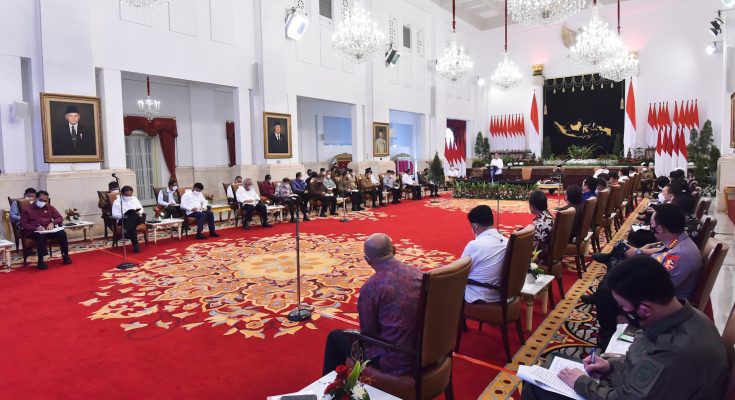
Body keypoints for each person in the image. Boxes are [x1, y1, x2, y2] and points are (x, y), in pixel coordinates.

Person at [522, 256, 729, 400]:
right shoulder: (685, 316)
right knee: (551, 365)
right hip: (634, 386)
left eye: (624, 307)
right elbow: (642, 370)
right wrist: (611, 366)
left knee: (536, 385)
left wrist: (581, 383)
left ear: (644, 309)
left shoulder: (674, 351)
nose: (622, 312)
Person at [322, 233, 422, 376]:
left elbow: (368, 334)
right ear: (394, 250)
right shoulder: (418, 274)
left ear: (367, 260)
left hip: (395, 358)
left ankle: (333, 388)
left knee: (335, 338)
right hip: (423, 351)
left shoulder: (371, 287)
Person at [462, 205, 507, 303]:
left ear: (474, 227)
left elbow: (460, 273)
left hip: (478, 295)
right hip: (500, 293)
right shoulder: (506, 241)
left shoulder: (475, 245)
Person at [20, 190, 71, 270]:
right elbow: (24, 224)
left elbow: (59, 218)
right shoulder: (27, 209)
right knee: (41, 236)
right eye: (41, 200)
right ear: (36, 198)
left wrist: (53, 223)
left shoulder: (49, 207)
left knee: (62, 233)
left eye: (45, 201)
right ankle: (41, 261)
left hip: (47, 230)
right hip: (33, 231)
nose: (43, 202)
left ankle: (65, 256)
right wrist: (36, 228)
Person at [111, 186, 145, 253]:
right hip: (123, 219)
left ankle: (126, 229)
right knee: (131, 221)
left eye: (130, 195)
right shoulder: (117, 202)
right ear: (122, 194)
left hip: (136, 218)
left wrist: (138, 212)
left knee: (132, 215)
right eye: (127, 195)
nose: (129, 197)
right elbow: (114, 214)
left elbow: (141, 209)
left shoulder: (134, 199)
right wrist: (124, 215)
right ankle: (135, 244)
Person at [530, 190, 554, 261]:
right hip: (554, 251)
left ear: (532, 207)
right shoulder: (550, 215)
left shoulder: (540, 223)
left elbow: (534, 244)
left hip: (544, 256)